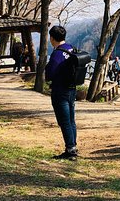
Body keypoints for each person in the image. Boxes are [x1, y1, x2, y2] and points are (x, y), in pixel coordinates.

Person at [46, 26, 79, 159]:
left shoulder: (57, 53)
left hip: (60, 90)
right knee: (71, 120)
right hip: (72, 89)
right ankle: (73, 146)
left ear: (52, 38)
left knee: (64, 121)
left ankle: (70, 150)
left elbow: (50, 74)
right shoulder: (71, 48)